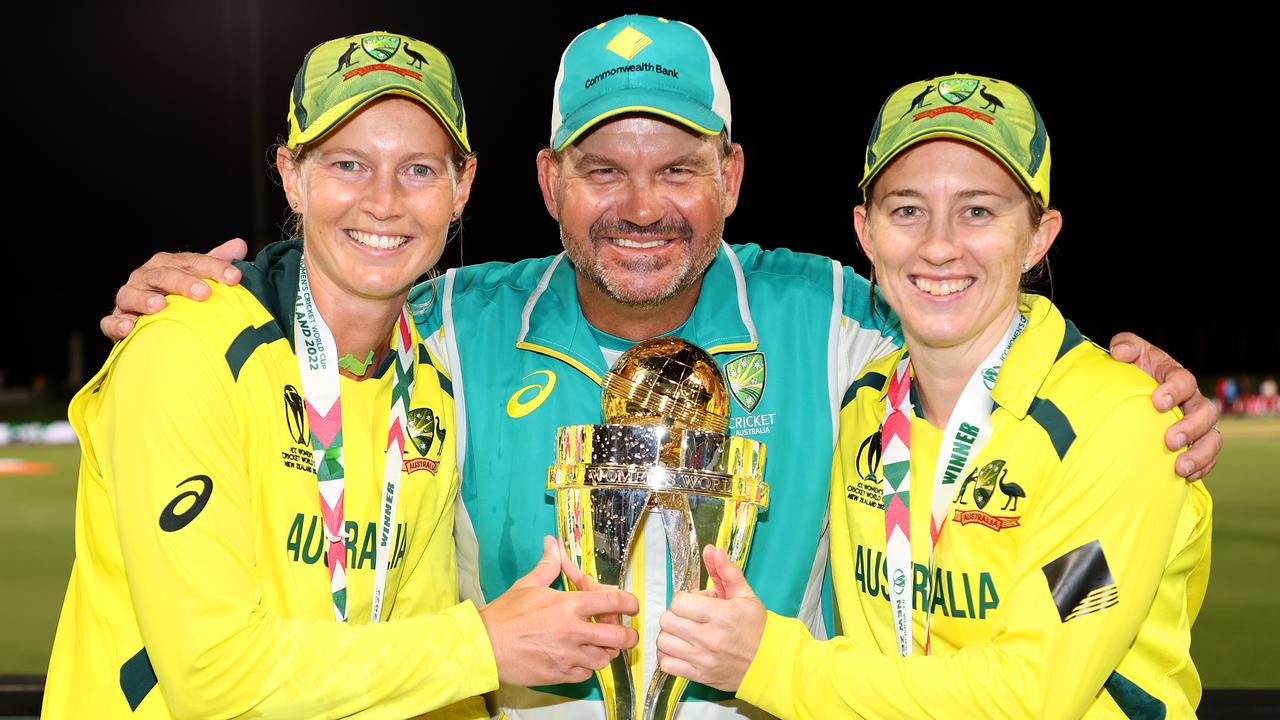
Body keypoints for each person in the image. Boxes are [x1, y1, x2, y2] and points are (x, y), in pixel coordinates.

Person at [100, 17, 1221, 719]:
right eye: (601, 168)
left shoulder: (834, 314)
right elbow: (337, 296)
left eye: (678, 166)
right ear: (544, 181)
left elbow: (975, 319)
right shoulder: (446, 323)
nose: (641, 207)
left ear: (731, 173)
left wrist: (1131, 382)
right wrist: (220, 291)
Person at [44, 31, 637, 719]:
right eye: (349, 164)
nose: (383, 202)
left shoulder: (429, 391)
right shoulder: (186, 348)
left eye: (417, 169)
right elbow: (213, 680)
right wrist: (482, 645)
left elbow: (422, 679)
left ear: (460, 187)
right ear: (293, 175)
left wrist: (476, 660)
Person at [655, 74, 1213, 719]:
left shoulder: (1122, 426)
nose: (939, 245)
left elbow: (1028, 695)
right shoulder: (864, 407)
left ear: (1038, 234)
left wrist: (771, 664)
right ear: (866, 232)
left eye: (978, 210)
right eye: (907, 210)